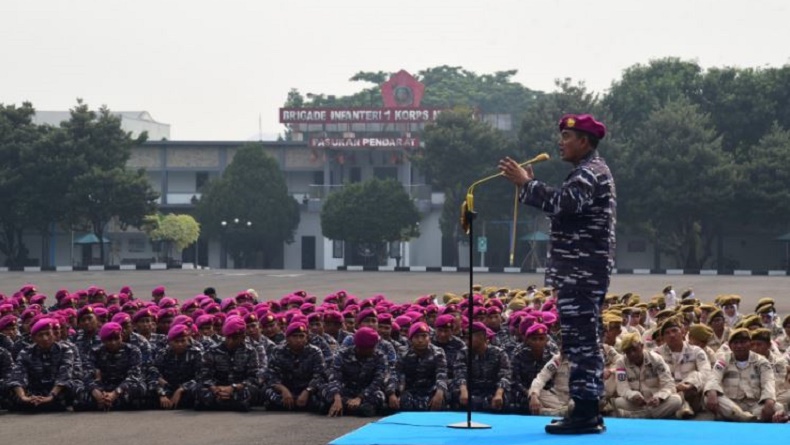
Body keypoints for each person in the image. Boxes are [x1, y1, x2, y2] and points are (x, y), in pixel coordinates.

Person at [499, 113, 615, 434]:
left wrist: (527, 184)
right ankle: (588, 409)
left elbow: (565, 203)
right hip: (582, 271)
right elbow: (565, 209)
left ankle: (585, 414)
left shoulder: (589, 173)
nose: (560, 143)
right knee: (583, 341)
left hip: (580, 272)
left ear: (584, 141)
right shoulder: (588, 171)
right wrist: (531, 187)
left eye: (566, 137)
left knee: (579, 343)